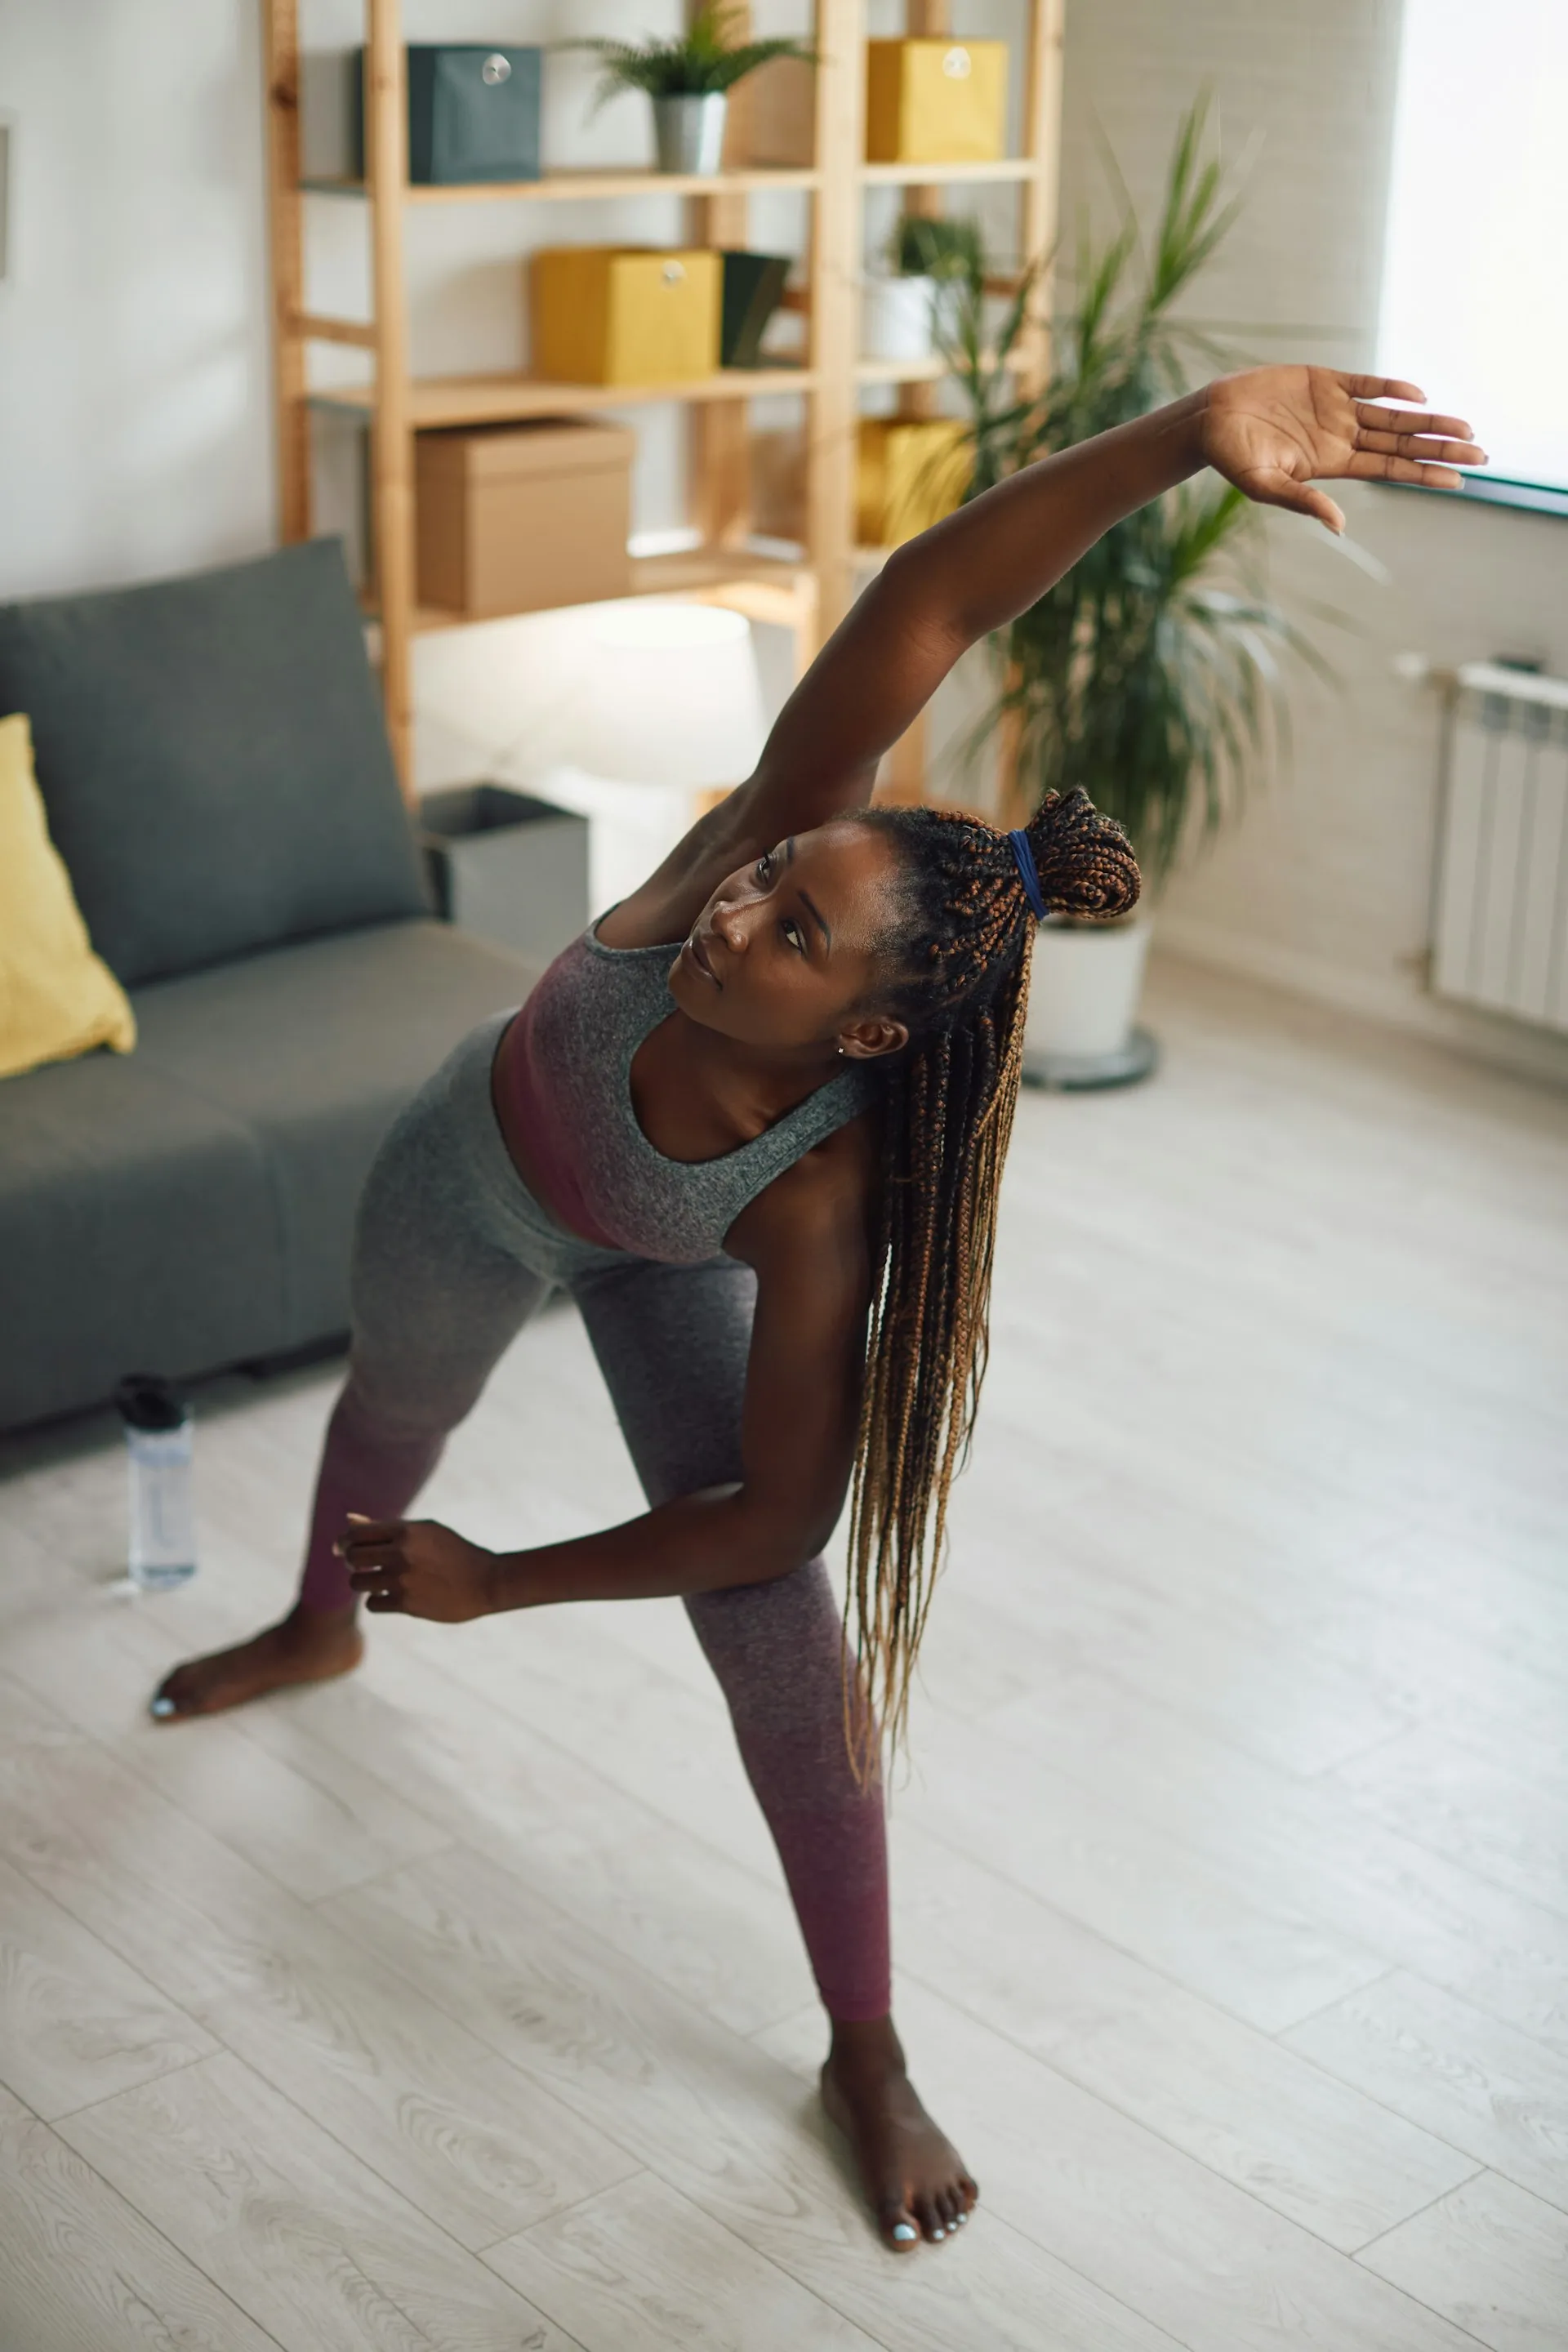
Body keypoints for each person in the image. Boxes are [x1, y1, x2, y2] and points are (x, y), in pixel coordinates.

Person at [150, 368, 1481, 2252]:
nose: (737, 910)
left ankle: (865, 2047)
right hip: (467, 1173)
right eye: (773, 875)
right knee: (395, 1409)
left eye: (791, 933)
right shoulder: (736, 856)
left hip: (659, 1258)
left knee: (779, 1627)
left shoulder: (819, 1200)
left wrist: (506, 1579)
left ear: (863, 1031)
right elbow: (929, 603)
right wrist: (1185, 432)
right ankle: (316, 1625)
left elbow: (780, 1516)